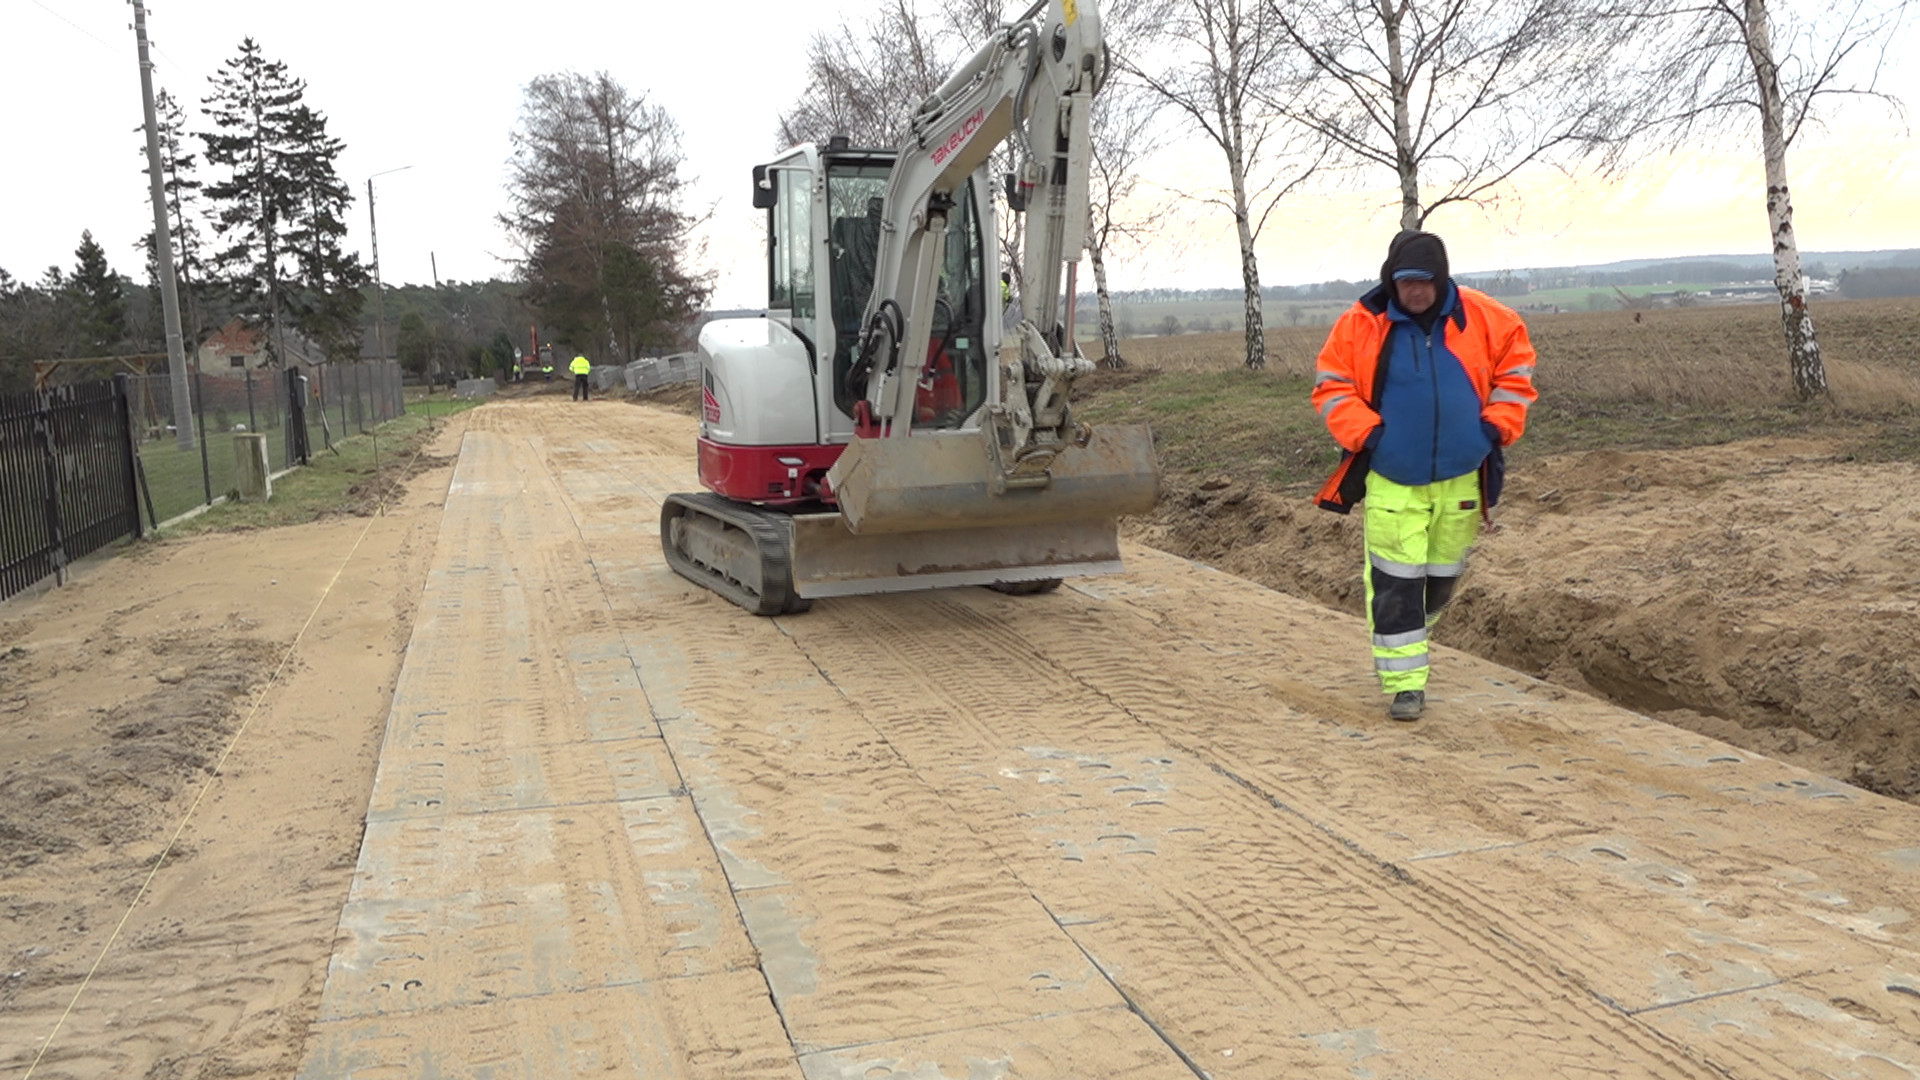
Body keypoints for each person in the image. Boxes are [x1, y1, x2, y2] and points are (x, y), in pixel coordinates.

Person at [1310, 229, 1537, 721]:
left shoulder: (1490, 319)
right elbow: (1332, 387)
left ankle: (1417, 636)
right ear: (1391, 281)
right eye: (1405, 281)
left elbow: (1516, 373)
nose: (1415, 291)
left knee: (1440, 580)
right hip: (1392, 479)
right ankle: (1405, 685)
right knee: (1395, 582)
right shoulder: (1360, 324)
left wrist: (1496, 427)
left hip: (1461, 478)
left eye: (1424, 281)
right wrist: (1369, 436)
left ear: (1442, 279)